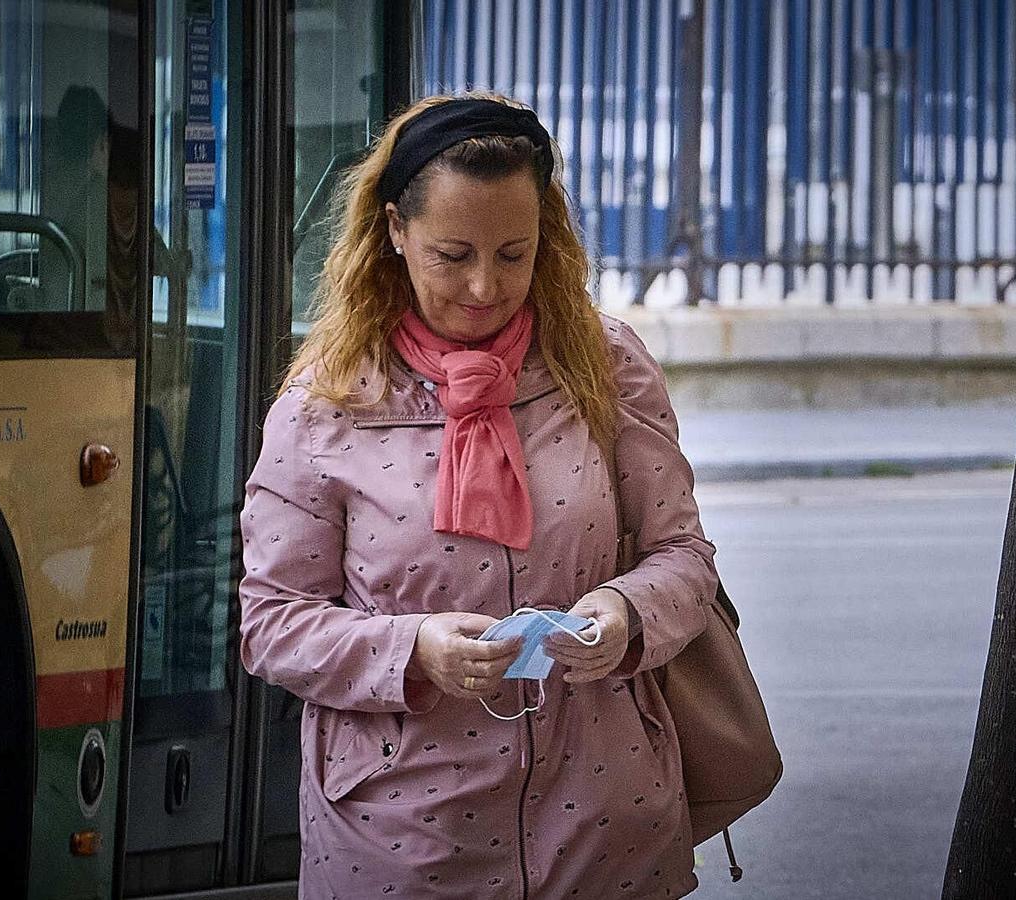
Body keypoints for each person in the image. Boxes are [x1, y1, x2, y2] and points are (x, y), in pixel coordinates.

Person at [238, 93, 719, 899]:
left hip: (606, 826)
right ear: (395, 230)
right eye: (452, 254)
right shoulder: (325, 405)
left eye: (514, 254)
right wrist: (413, 648)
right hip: (399, 842)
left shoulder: (608, 368)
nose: (483, 287)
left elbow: (684, 557)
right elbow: (273, 623)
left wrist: (626, 613)